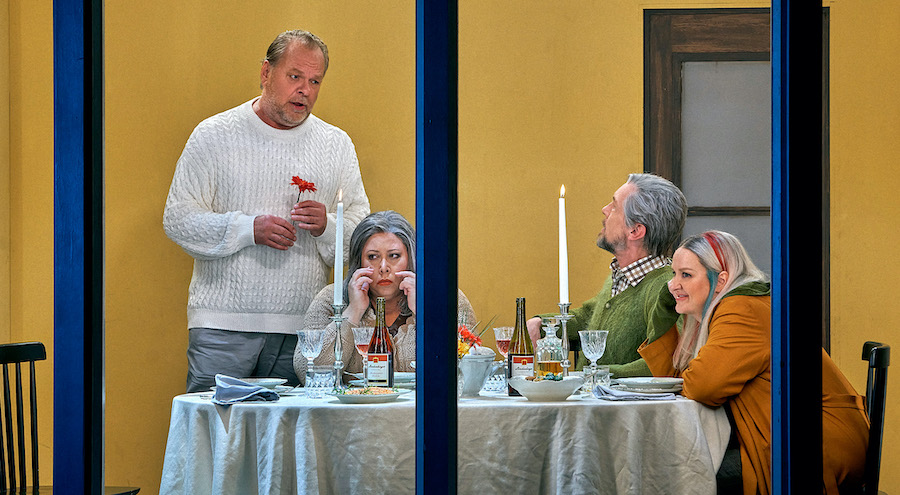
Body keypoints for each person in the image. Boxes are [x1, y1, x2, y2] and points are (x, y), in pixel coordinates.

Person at [163, 29, 370, 393]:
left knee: (289, 445)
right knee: (215, 440)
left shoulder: (336, 145)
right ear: (265, 73)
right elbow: (178, 219)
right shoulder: (213, 135)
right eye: (294, 76)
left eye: (315, 80)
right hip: (222, 327)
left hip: (305, 330)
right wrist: (248, 229)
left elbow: (361, 238)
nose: (304, 89)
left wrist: (326, 225)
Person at [639, 230, 868, 495]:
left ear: (721, 280)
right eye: (674, 274)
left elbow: (702, 387)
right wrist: (663, 318)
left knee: (678, 474)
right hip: (787, 434)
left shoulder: (740, 309)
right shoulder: (734, 305)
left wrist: (689, 375)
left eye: (686, 275)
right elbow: (680, 380)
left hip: (814, 444)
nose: (672, 285)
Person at [527, 173, 687, 377]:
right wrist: (544, 324)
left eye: (614, 206)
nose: (604, 210)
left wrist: (596, 374)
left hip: (629, 409)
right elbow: (590, 316)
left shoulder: (666, 288)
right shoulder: (620, 276)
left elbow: (668, 362)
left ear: (635, 231)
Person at [294, 210, 476, 381]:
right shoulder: (331, 299)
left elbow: (470, 367)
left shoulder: (448, 298)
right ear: (359, 262)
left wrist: (425, 311)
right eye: (373, 257)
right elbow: (307, 372)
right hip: (358, 411)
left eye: (394, 256)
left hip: (425, 411)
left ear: (410, 259)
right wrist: (353, 311)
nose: (383, 267)